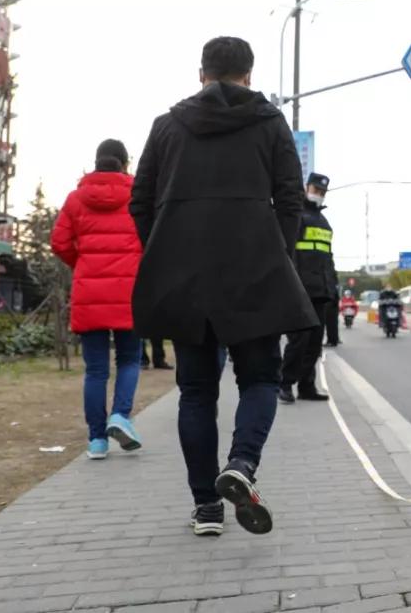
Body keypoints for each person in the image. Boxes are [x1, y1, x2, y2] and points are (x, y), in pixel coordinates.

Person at [130, 36, 317, 537]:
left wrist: (164, 249)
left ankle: (207, 508)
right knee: (259, 378)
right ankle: (242, 464)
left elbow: (140, 202)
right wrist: (276, 251)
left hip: (183, 274)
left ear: (201, 74)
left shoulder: (167, 126)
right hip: (254, 269)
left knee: (195, 392)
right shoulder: (270, 122)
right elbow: (290, 199)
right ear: (249, 76)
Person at [51, 139, 144, 460]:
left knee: (95, 371)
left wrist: (84, 263)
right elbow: (152, 237)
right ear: (124, 163)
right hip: (129, 292)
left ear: (96, 162)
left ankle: (96, 442)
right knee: (130, 359)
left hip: (88, 292)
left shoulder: (76, 199)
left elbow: (59, 242)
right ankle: (120, 416)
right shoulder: (138, 196)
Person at [279, 172, 338, 404]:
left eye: (322, 192)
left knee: (315, 342)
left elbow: (328, 257)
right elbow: (289, 253)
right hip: (300, 290)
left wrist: (333, 287)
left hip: (321, 291)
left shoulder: (324, 222)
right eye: (315, 190)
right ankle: (284, 384)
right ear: (306, 188)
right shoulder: (297, 216)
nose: (319, 195)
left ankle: (306, 386)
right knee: (298, 341)